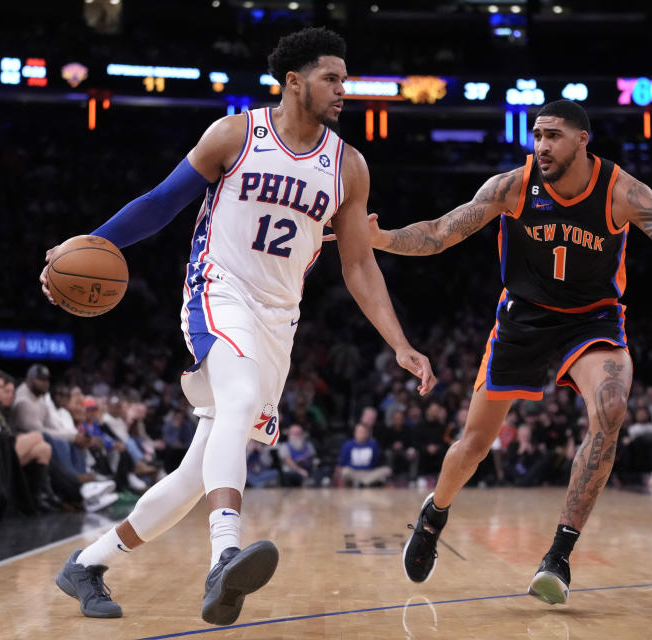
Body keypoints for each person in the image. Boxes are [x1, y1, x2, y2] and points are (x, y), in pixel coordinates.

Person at [361, 100, 652, 604]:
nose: (541, 145)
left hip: (592, 320)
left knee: (610, 407)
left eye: (553, 136)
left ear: (583, 140)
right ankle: (435, 513)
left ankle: (558, 556)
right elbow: (440, 233)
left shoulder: (624, 193)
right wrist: (382, 239)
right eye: (537, 135)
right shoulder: (514, 186)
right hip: (523, 317)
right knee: (473, 446)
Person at [41, 27, 435, 625]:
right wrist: (91, 242)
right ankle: (225, 552)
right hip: (216, 290)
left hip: (279, 319)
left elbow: (358, 264)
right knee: (239, 399)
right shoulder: (236, 134)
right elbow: (161, 202)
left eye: (345, 80)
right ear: (294, 81)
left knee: (196, 473)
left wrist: (400, 343)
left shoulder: (348, 166)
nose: (342, 91)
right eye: (332, 78)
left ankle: (87, 565)